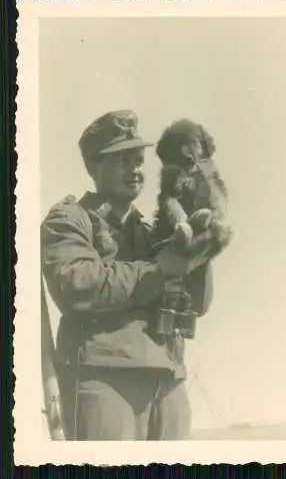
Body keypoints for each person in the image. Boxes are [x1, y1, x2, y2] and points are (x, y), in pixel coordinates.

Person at [41, 109, 214, 441]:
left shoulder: (154, 234)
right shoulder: (69, 219)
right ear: (93, 166)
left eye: (138, 160)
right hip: (105, 378)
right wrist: (158, 269)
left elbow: (197, 305)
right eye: (123, 160)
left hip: (167, 378)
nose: (135, 169)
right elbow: (78, 284)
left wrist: (198, 255)